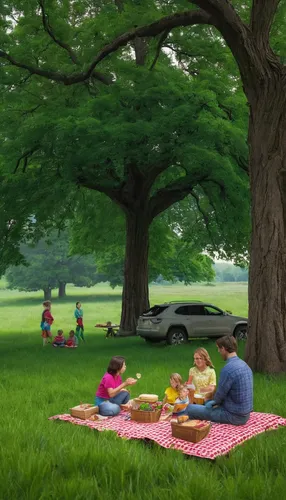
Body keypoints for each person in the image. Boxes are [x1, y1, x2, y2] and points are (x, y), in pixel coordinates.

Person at [186, 336, 253, 425]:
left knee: (190, 408)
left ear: (224, 349)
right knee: (207, 403)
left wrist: (211, 403)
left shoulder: (228, 369)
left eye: (219, 349)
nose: (219, 352)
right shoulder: (245, 365)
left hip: (233, 415)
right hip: (245, 414)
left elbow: (219, 397)